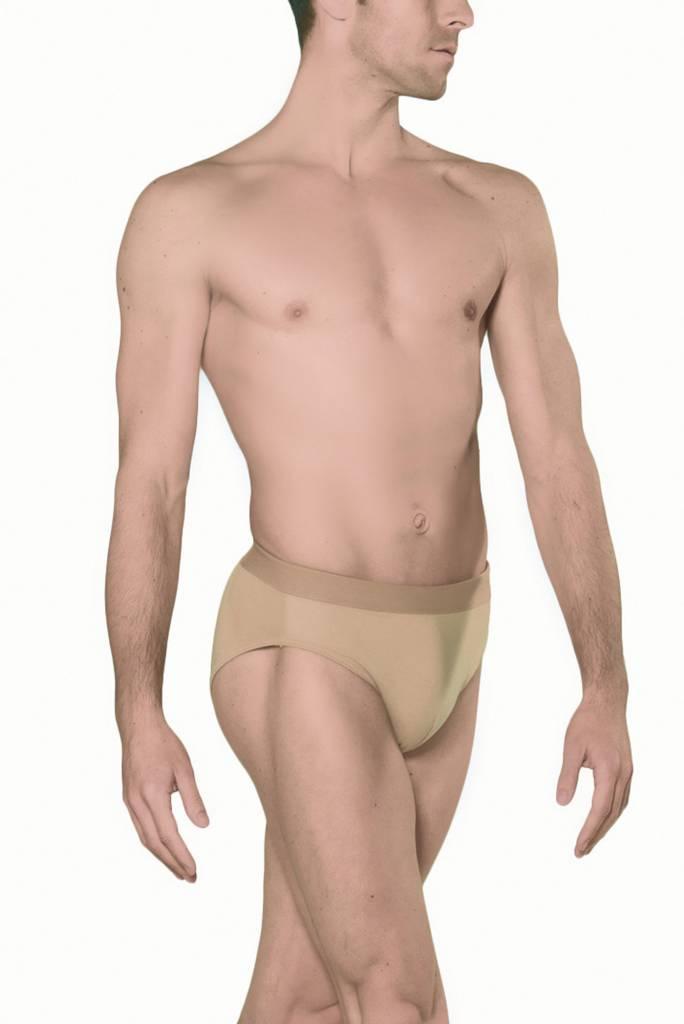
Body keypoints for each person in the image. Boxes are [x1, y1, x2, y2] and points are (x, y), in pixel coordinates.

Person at [105, 2, 633, 1021]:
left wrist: (605, 682)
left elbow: (558, 458)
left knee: (305, 995)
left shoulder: (496, 207)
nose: (462, 13)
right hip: (300, 637)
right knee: (396, 995)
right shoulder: (192, 214)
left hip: (452, 639)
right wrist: (138, 708)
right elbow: (152, 482)